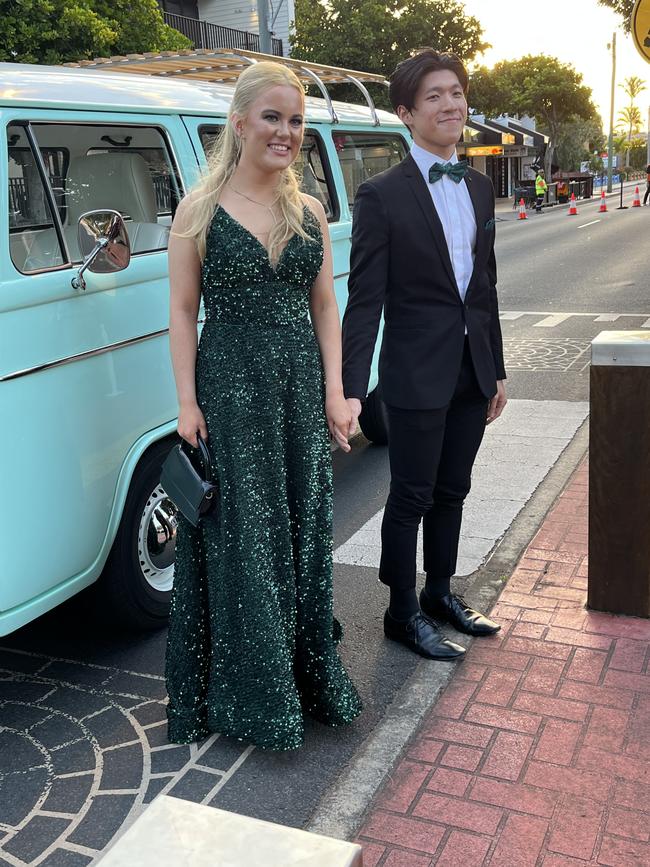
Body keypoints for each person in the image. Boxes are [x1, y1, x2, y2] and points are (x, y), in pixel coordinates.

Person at [165, 61, 362, 750]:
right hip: (231, 390)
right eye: (273, 117)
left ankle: (303, 679)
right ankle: (253, 694)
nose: (286, 131)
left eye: (296, 120)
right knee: (245, 539)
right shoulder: (198, 209)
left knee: (302, 532)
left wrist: (336, 393)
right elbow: (183, 311)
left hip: (298, 393)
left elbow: (326, 306)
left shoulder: (307, 211)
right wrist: (187, 401)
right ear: (241, 122)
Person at [342, 48, 507, 661]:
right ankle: (400, 610)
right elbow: (365, 301)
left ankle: (440, 593)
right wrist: (352, 389)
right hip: (413, 374)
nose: (451, 104)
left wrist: (497, 369)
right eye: (434, 96)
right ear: (406, 113)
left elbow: (484, 287)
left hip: (471, 370)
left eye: (457, 92)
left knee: (453, 489)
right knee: (410, 494)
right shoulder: (382, 195)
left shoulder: (482, 187)